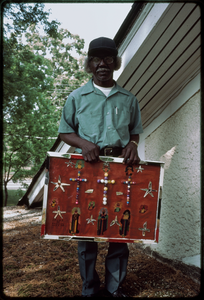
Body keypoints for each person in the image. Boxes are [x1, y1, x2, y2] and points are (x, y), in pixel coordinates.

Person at [58, 37, 143, 297]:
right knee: (85, 230)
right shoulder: (77, 97)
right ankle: (89, 289)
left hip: (120, 168)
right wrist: (83, 143)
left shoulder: (129, 99)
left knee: (120, 229)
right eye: (96, 59)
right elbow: (64, 132)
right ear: (89, 64)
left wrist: (132, 144)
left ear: (115, 63)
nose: (102, 64)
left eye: (108, 59)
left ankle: (115, 289)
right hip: (87, 169)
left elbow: (135, 132)